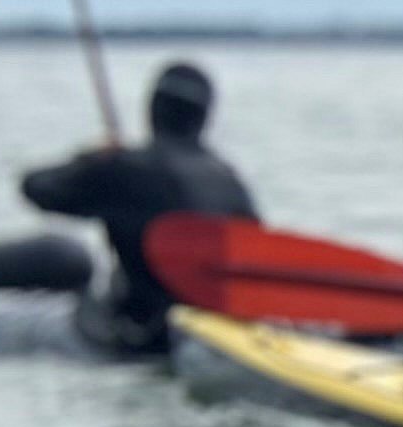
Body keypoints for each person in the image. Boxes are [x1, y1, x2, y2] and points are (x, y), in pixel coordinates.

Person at [15, 59, 256, 357]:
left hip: (142, 333)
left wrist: (92, 161)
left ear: (152, 110)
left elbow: (36, 187)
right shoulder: (229, 180)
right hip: (219, 327)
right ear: (204, 117)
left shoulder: (125, 167)